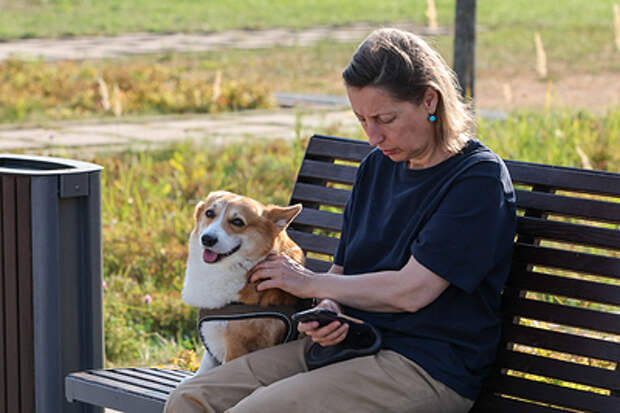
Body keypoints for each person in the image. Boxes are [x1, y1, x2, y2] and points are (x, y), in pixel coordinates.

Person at [164, 27, 516, 413]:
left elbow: (412, 291)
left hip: (423, 365)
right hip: (347, 344)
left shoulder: (476, 181)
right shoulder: (377, 167)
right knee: (189, 398)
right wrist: (329, 308)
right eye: (362, 119)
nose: (374, 136)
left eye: (385, 118)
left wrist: (311, 283)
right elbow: (344, 268)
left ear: (429, 100)